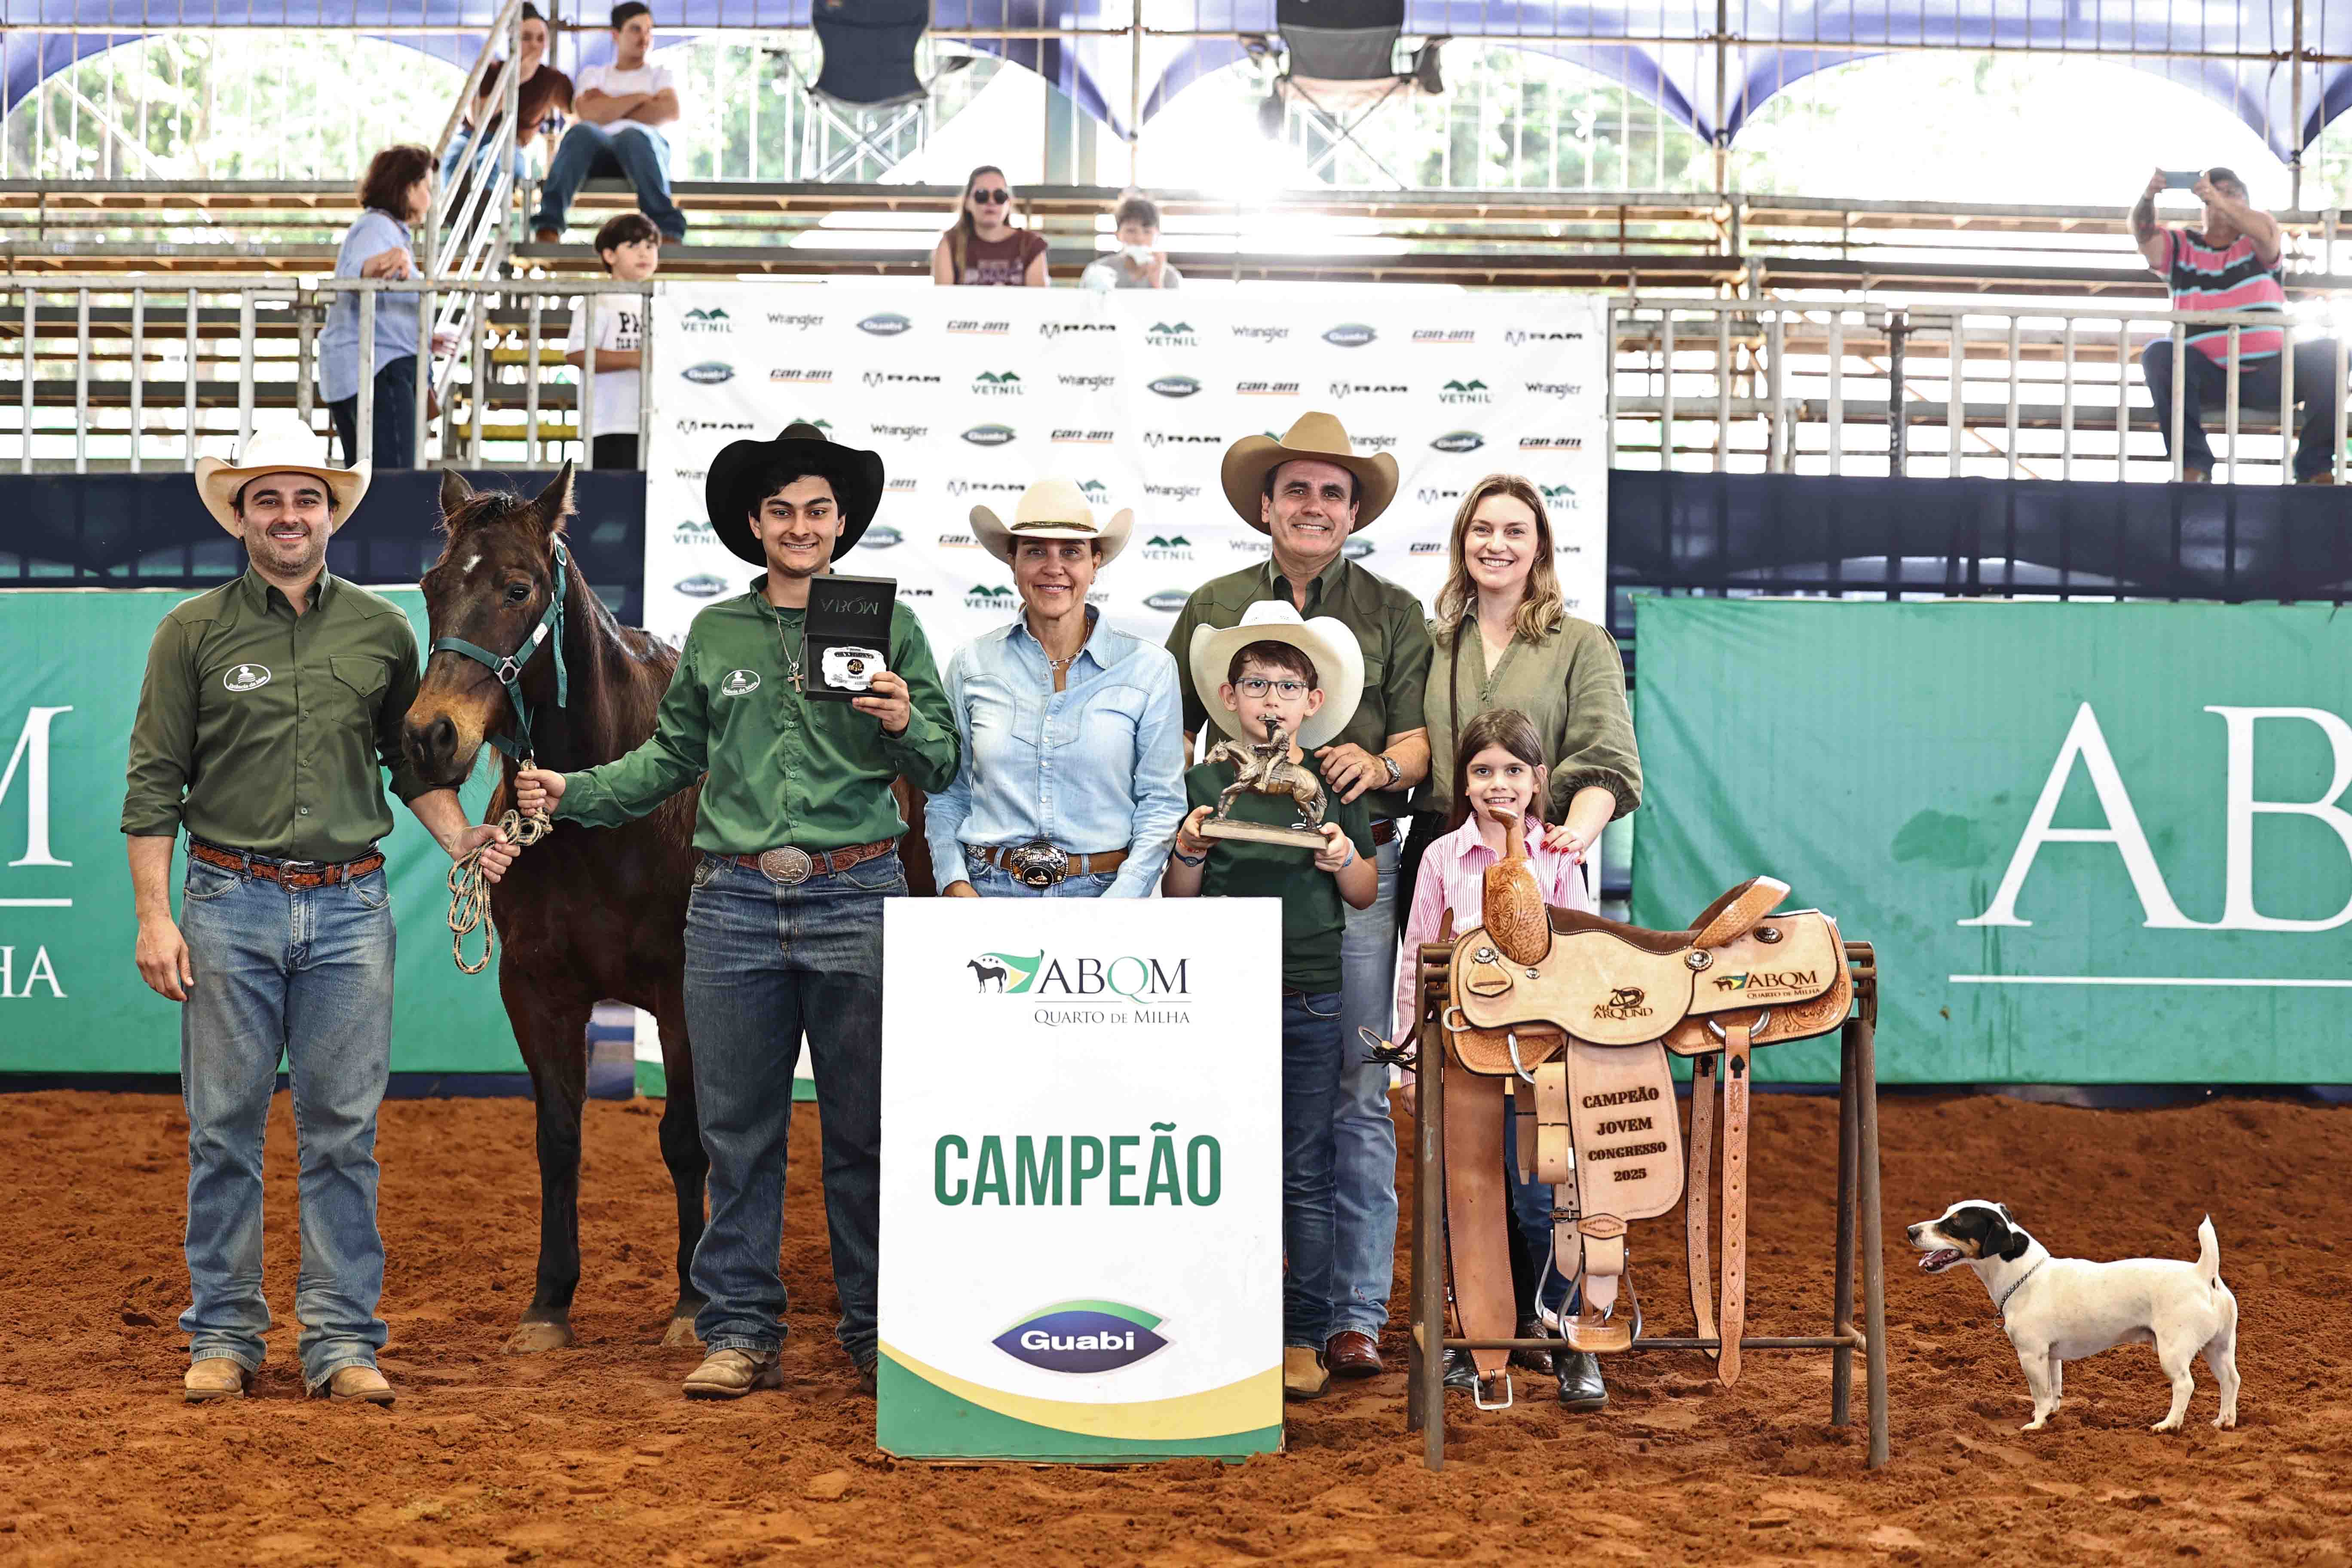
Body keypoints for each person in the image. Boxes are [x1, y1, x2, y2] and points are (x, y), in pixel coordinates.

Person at [512, 423, 956, 1401]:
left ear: (841, 523)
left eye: (817, 511)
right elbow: (670, 761)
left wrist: (903, 720)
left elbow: (943, 761)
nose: (800, 527)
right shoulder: (715, 634)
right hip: (734, 902)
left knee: (862, 1131)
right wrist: (572, 792)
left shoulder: (890, 627)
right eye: (781, 511)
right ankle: (742, 1330)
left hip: (856, 893)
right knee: (737, 1132)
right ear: (755, 524)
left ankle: (874, 1331)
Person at [122, 426, 515, 1407]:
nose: (289, 515)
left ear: (330, 514)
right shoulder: (190, 632)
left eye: (307, 498)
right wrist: (154, 918)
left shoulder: (383, 630)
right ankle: (224, 1336)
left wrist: (462, 839)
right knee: (224, 1131)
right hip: (226, 903)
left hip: (350, 910)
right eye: (268, 499)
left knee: (343, 1133)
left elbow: (407, 763)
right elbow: (154, 782)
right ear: (241, 516)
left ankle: (341, 1341)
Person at [1164, 410, 1432, 1383]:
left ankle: (1347, 1315)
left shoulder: (1394, 610)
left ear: (1352, 512)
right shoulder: (1213, 604)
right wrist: (1190, 824)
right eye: (1296, 490)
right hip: (1235, 875)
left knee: (1354, 1092)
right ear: (1266, 505)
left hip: (1348, 874)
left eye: (1331, 492)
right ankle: (1232, 1303)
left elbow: (1420, 740)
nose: (1312, 506)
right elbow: (1171, 728)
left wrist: (1378, 763)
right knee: (1224, 1097)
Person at [1164, 603, 1377, 1400]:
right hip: (1222, 995)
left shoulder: (1333, 784)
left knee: (1304, 1169)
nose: (1271, 699)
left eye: (1287, 686)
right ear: (1229, 696)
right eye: (1256, 684)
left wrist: (1343, 855)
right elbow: (1180, 895)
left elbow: (1363, 893)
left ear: (1312, 701)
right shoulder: (1203, 782)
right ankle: (1223, 1321)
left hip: (1309, 994)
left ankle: (1302, 1331)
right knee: (1218, 1163)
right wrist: (1189, 847)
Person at [1393, 707, 1613, 1410]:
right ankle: (1472, 1339)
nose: (1499, 783)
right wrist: (1408, 1058)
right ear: (1463, 782)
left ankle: (1572, 1342)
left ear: (1537, 778)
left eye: (1513, 769)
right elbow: (1416, 957)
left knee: (1545, 1202)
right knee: (1465, 1198)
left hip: (1541, 1058)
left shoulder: (1560, 856)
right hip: (1463, 1055)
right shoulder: (1441, 857)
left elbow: (1579, 955)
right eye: (1483, 770)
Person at [927, 478, 1185, 898]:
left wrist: (1122, 901)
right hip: (988, 892)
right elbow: (947, 795)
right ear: (1012, 562)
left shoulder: (1149, 669)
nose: (1053, 567)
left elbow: (1161, 803)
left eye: (1071, 552)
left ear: (1095, 563)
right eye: (1035, 551)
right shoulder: (970, 664)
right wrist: (954, 883)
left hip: (1104, 893)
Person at [2132, 165, 2341, 484]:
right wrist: (2148, 197)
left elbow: (2266, 233)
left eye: (2232, 193)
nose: (2220, 198)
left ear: (2246, 203)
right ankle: (2192, 465)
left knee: (2331, 353)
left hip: (2272, 375)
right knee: (2159, 354)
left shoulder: (2257, 238)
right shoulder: (2183, 245)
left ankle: (2315, 469)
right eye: (2213, 193)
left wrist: (2217, 199)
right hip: (2206, 376)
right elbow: (2144, 234)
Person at [320, 144, 443, 472]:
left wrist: (425, 337)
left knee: (371, 478)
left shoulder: (386, 230)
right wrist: (376, 265)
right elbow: (359, 272)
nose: (430, 198)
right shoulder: (377, 228)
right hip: (381, 370)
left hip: (374, 367)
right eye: (427, 187)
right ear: (408, 188)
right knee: (395, 477)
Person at [531, 2, 687, 245]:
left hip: (644, 155)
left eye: (649, 30)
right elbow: (587, 112)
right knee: (580, 132)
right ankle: (548, 226)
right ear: (615, 35)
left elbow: (670, 111)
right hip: (597, 153)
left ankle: (666, 229)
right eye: (635, 29)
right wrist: (641, 99)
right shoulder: (593, 74)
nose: (644, 37)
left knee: (633, 136)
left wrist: (608, 105)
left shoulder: (661, 74)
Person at [440, 3, 573, 189]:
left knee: (493, 160)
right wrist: (515, 80)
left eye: (541, 39)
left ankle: (481, 205)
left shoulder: (553, 80)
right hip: (471, 139)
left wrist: (562, 148)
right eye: (527, 38)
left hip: (511, 146)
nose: (535, 45)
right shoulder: (491, 69)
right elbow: (477, 117)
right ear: (512, 39)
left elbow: (576, 115)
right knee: (453, 162)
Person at [565, 212, 658, 470]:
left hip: (654, 421)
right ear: (609, 255)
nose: (644, 253)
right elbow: (577, 354)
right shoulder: (598, 300)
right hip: (610, 424)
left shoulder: (660, 304)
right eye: (633, 246)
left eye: (650, 246)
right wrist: (638, 359)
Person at [931, 165, 1048, 287]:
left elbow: (1038, 298)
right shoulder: (949, 244)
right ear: (967, 202)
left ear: (1009, 203)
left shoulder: (1031, 245)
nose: (991, 202)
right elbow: (943, 297)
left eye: (999, 196)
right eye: (982, 195)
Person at [1080, 193, 1181, 291]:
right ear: (1117, 234)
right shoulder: (1098, 272)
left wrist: (1158, 285)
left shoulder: (1169, 277)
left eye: (1147, 232)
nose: (1139, 239)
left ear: (1157, 235)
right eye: (1131, 231)